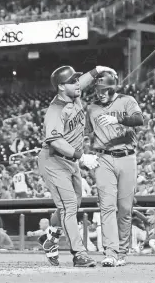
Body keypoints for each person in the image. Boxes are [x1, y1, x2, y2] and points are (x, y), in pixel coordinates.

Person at [38, 65, 117, 267]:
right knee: (69, 207)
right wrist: (81, 157)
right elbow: (54, 141)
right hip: (54, 160)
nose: (77, 83)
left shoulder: (73, 93)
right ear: (61, 86)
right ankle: (79, 253)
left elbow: (83, 82)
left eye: (76, 80)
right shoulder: (55, 110)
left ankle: (51, 237)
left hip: (70, 161)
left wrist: (97, 70)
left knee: (70, 205)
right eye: (72, 81)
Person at [85, 72, 144, 266]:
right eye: (97, 90)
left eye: (104, 89)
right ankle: (111, 252)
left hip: (127, 157)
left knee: (125, 208)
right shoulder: (91, 108)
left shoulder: (127, 100)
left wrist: (118, 120)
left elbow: (138, 119)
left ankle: (122, 254)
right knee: (107, 207)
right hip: (103, 158)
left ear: (112, 87)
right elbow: (84, 133)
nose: (100, 93)